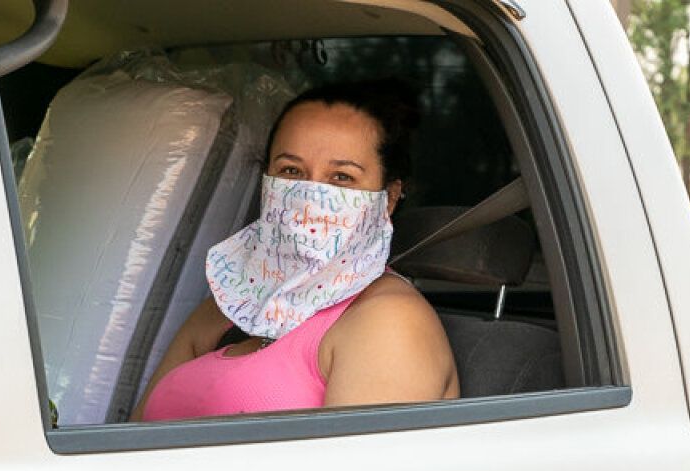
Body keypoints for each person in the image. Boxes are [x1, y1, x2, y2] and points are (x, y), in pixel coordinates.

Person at [133, 79, 459, 421]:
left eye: (342, 177)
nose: (309, 196)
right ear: (266, 182)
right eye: (291, 171)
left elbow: (356, 456)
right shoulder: (235, 298)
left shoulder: (389, 320)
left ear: (388, 198)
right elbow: (131, 432)